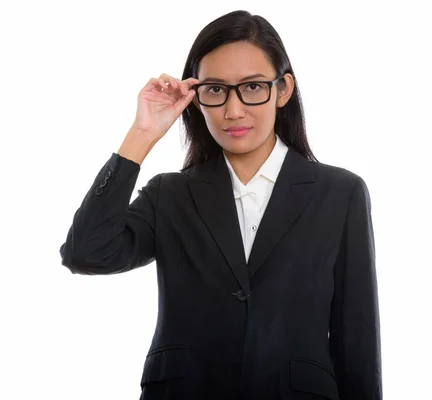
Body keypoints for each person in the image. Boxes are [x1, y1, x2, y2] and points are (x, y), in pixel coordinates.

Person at [59, 9, 382, 400]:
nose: (233, 110)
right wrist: (141, 136)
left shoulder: (340, 192)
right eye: (215, 90)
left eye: (252, 87)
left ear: (283, 90)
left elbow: (357, 342)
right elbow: (86, 253)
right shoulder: (170, 194)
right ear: (196, 98)